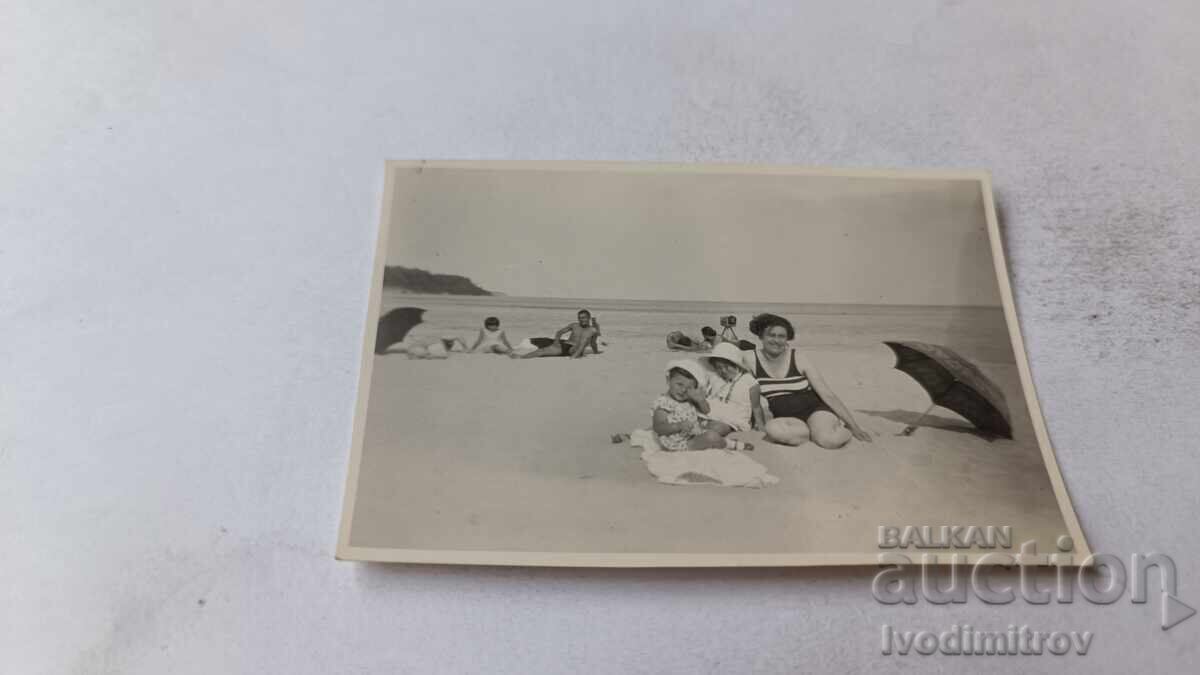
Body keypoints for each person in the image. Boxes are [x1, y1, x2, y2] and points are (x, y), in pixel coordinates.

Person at [742, 313, 871, 448]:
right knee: (772, 430)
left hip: (816, 410)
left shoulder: (798, 357)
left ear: (787, 339)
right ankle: (814, 431)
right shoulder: (750, 359)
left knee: (828, 441)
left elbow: (827, 394)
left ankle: (840, 430)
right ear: (761, 336)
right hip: (788, 418)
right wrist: (758, 422)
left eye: (781, 336)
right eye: (771, 335)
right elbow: (749, 396)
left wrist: (854, 426)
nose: (776, 340)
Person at [652, 360, 753, 451]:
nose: (683, 390)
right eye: (679, 384)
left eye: (689, 388)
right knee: (711, 437)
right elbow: (659, 427)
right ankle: (729, 444)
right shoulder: (664, 403)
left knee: (717, 426)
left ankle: (718, 441)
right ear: (668, 380)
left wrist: (700, 400)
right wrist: (678, 426)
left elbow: (706, 411)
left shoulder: (687, 397)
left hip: (694, 432)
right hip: (679, 443)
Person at [698, 342, 765, 435]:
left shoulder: (749, 381)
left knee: (717, 428)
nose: (723, 371)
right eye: (719, 368)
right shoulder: (717, 379)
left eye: (726, 366)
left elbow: (756, 407)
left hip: (734, 419)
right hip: (713, 414)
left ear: (736, 365)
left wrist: (760, 425)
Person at [512, 309, 601, 359]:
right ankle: (522, 357)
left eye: (584, 317)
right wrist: (556, 342)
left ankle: (573, 358)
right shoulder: (574, 325)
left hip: (575, 349)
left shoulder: (592, 330)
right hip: (564, 345)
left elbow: (593, 342)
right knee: (542, 351)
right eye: (580, 318)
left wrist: (596, 351)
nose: (582, 320)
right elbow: (559, 332)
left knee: (584, 340)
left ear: (589, 318)